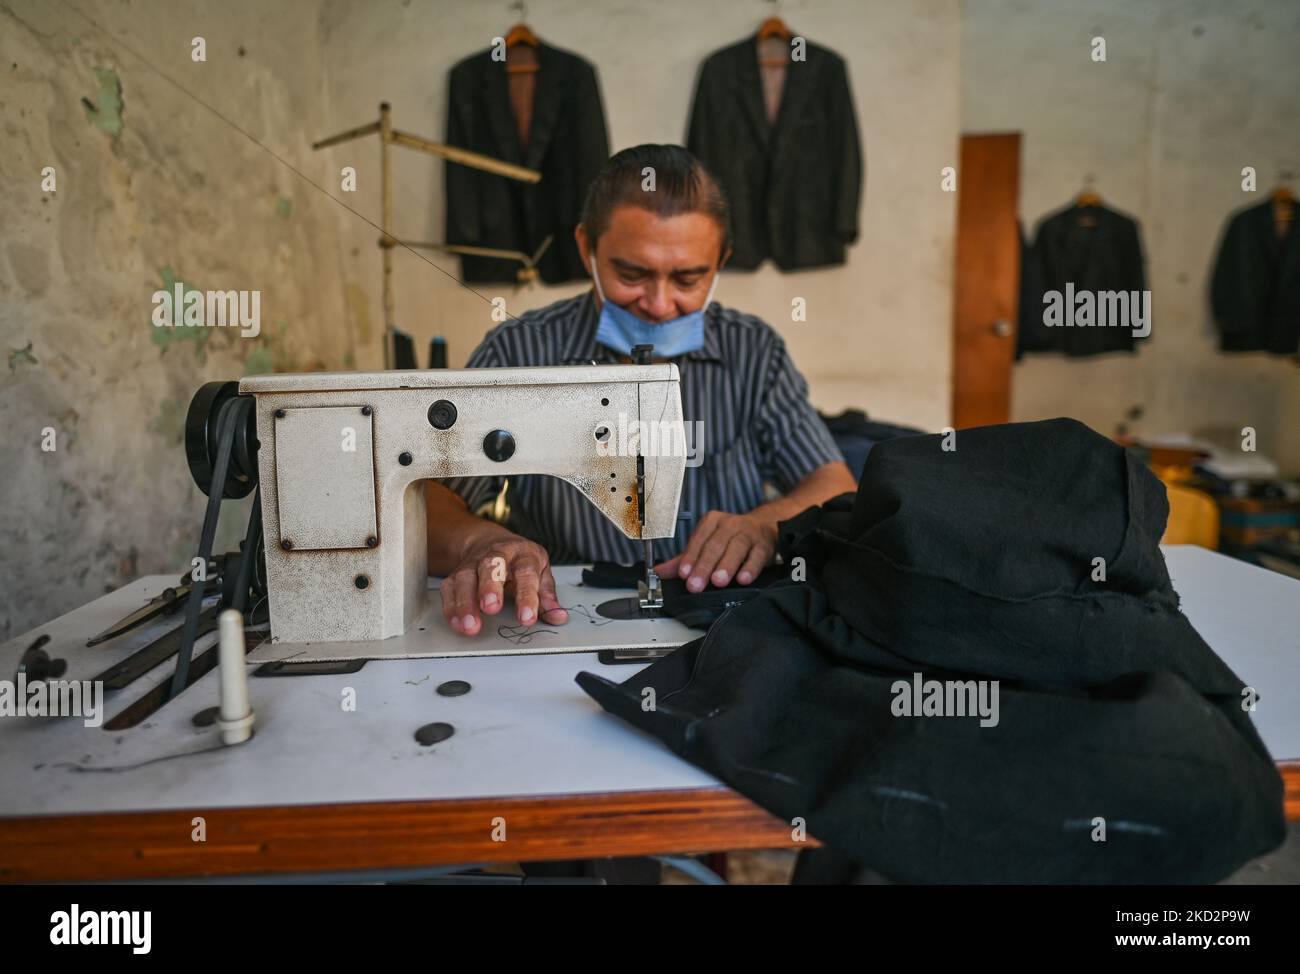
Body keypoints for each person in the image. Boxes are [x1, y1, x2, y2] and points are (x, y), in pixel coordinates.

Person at [428, 144, 856, 636]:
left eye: (689, 278)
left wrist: (766, 524)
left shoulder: (754, 352)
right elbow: (433, 502)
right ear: (587, 247)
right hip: (563, 604)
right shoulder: (519, 351)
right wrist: (480, 543)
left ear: (722, 261)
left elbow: (833, 484)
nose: (657, 304)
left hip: (719, 609)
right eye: (632, 274)